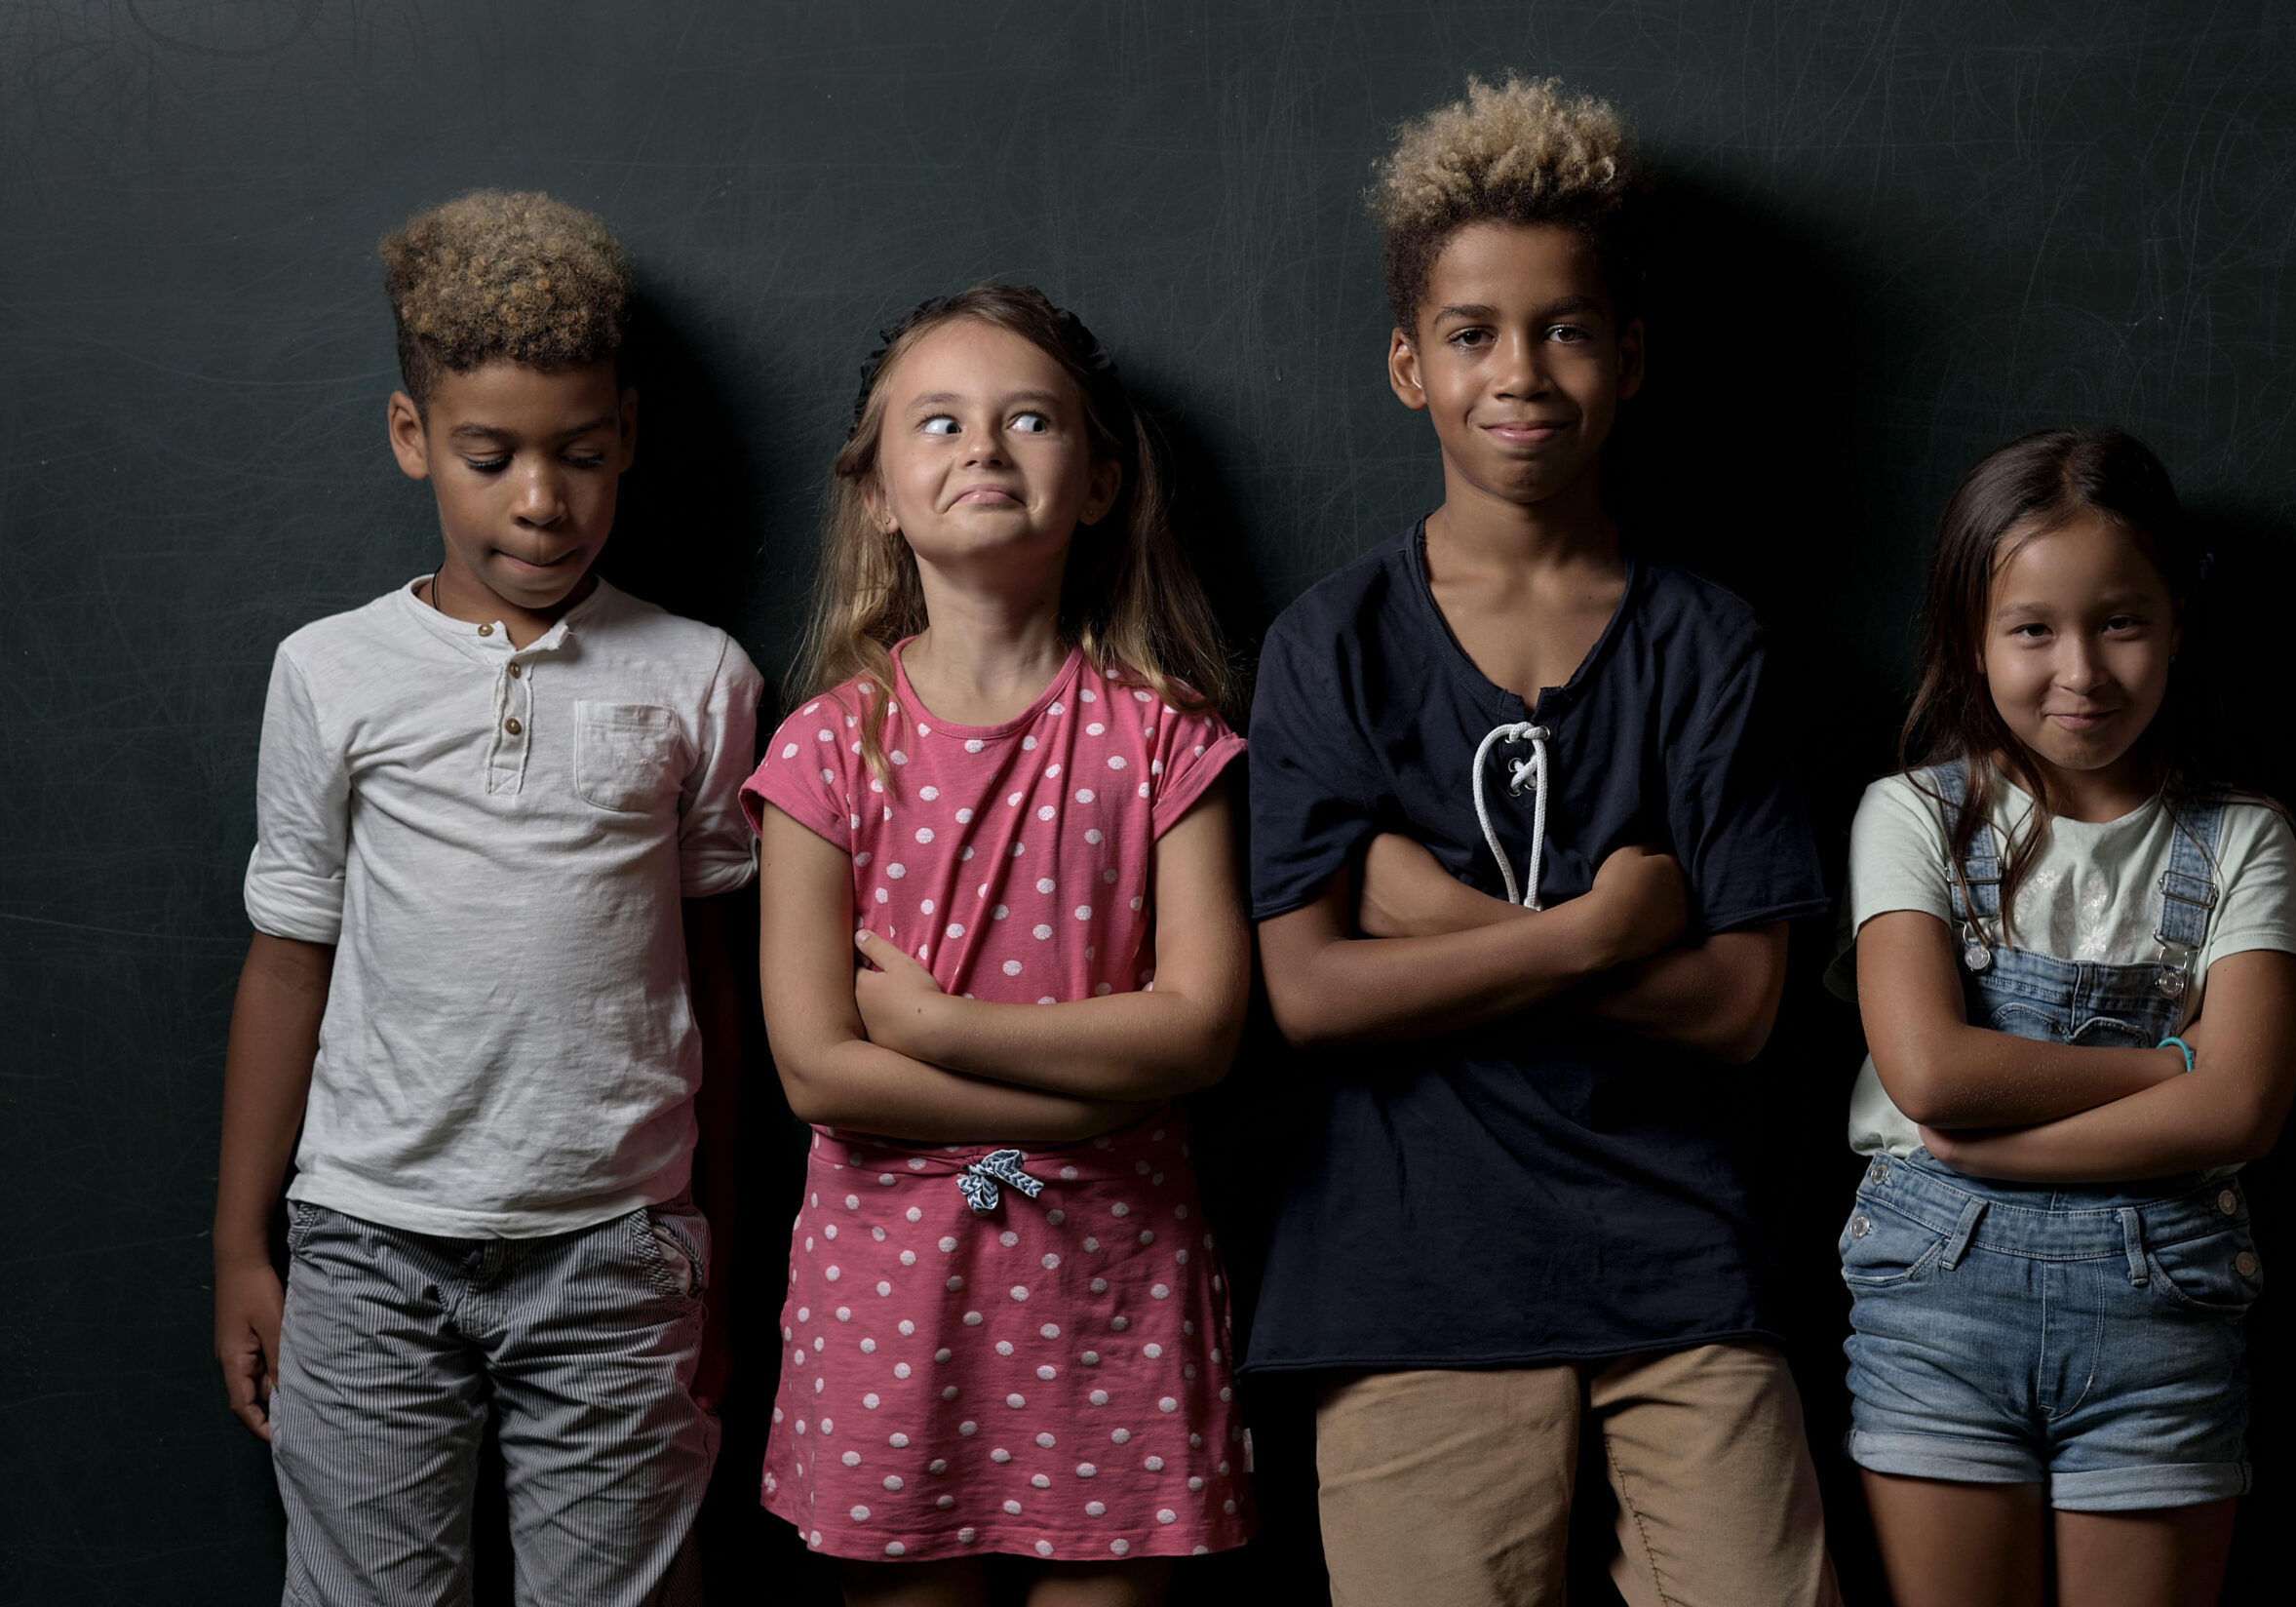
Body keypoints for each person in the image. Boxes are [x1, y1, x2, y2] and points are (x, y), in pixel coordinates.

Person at [1247, 78, 1841, 1607]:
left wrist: (1432, 920)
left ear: (1630, 358)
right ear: (1407, 364)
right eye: (1471, 333)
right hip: (1405, 1286)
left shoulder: (1715, 645)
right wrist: (1593, 931)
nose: (1521, 373)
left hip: (1685, 1276)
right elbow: (1309, 995)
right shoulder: (1333, 643)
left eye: (1566, 329)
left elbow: (1738, 1006)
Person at [209, 189, 759, 1606]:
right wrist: (239, 1241)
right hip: (365, 1248)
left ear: (627, 434)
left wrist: (722, 1243)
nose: (540, 500)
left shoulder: (700, 676)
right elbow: (288, 958)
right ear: (414, 440)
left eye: (579, 454)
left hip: (617, 1250)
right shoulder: (330, 672)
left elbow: (717, 977)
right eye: (491, 455)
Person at [743, 285, 1254, 1602]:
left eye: (1029, 419)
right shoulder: (823, 751)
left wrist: (940, 1027)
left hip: (1113, 1292)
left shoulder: (1164, 742)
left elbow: (1199, 1028)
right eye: (941, 422)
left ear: (1095, 483)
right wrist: (1086, 1101)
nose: (984, 447)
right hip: (888, 1302)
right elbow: (815, 1070)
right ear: (876, 490)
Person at [1830, 427, 2296, 1607]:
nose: (2081, 673)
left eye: (2120, 622)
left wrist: (1987, 1132)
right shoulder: (1909, 818)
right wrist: (2170, 1067)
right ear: (1970, 635)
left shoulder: (2245, 838)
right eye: (2031, 629)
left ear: (2175, 623)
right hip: (1935, 1310)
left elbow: (2247, 1106)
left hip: (2160, 1313)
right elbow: (1932, 1077)